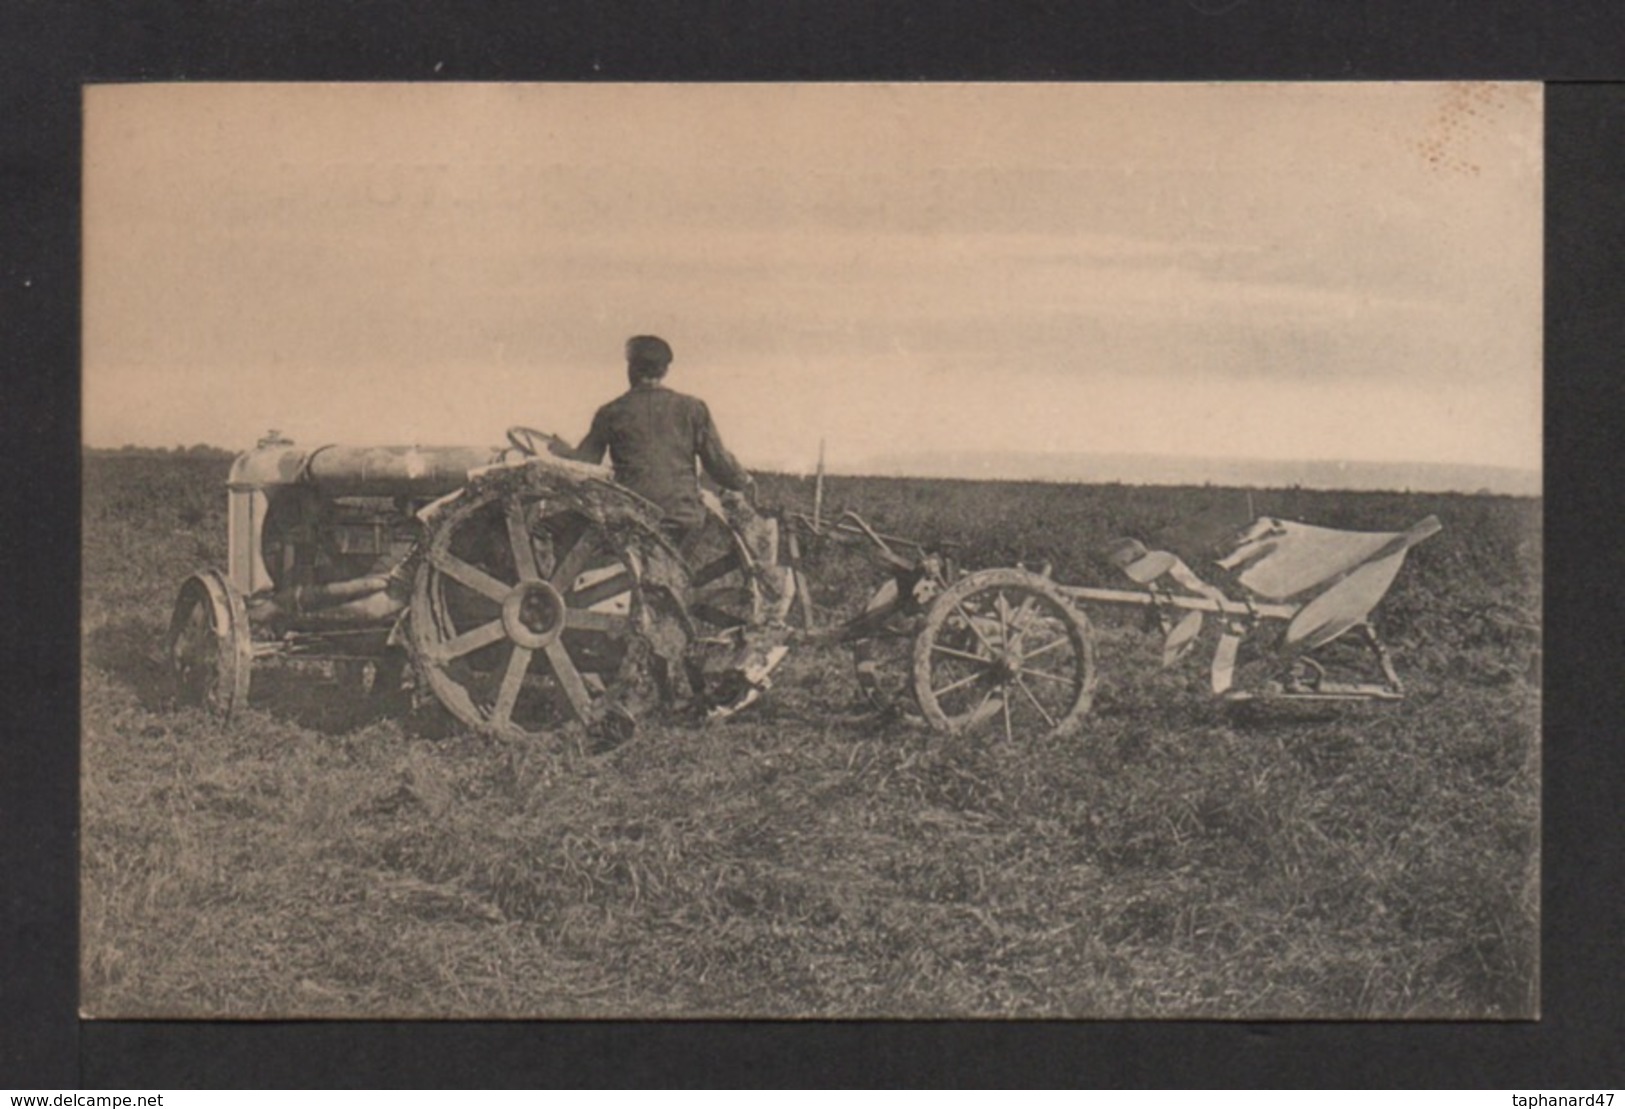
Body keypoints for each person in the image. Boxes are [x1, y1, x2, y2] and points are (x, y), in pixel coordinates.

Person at [568, 335, 754, 548]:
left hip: (630, 519)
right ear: (665, 370)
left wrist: (559, 456)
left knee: (558, 528)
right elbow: (720, 465)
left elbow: (582, 467)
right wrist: (744, 480)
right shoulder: (693, 408)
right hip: (683, 519)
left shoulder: (611, 412)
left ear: (631, 369)